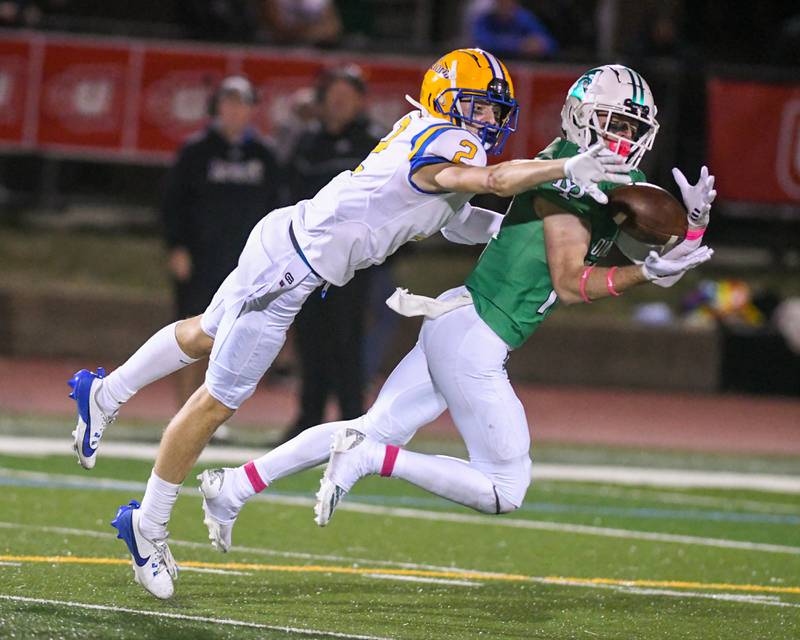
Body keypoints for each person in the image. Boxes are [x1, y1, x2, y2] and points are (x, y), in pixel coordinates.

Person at [67, 48, 631, 599]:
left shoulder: (428, 129)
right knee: (216, 401)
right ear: (448, 100)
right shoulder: (454, 143)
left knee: (206, 332)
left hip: (283, 238)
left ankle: (105, 391)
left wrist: (523, 221)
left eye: (494, 111)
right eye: (479, 106)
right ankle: (149, 525)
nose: (488, 120)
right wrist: (562, 167)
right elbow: (489, 181)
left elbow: (456, 216)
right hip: (292, 270)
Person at [195, 65, 715, 548]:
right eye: (612, 121)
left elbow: (629, 251)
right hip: (477, 339)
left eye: (630, 125)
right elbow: (573, 282)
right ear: (582, 115)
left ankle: (235, 486)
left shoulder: (594, 173)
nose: (621, 136)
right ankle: (373, 460)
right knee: (505, 487)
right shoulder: (566, 178)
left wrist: (686, 233)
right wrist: (645, 274)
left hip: (459, 318)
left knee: (369, 425)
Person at [162, 75, 281, 407]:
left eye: (242, 104)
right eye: (228, 103)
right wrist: (177, 246)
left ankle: (210, 411)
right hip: (201, 259)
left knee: (233, 339)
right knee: (191, 331)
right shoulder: (196, 151)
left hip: (246, 263)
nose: (234, 111)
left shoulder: (265, 154)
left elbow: (277, 208)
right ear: (217, 107)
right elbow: (173, 203)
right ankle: (182, 408)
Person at [283, 66, 381, 442]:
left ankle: (354, 422)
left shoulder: (373, 144)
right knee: (310, 338)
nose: (339, 103)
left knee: (348, 340)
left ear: (360, 101)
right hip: (309, 258)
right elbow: (288, 194)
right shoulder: (307, 142)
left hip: (355, 262)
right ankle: (308, 418)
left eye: (347, 96)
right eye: (333, 95)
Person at [471, 0, 558, 60]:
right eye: (501, 2)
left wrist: (539, 44)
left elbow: (549, 43)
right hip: (490, 64)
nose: (505, 4)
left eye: (508, 2)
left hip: (523, 64)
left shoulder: (524, 18)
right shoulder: (485, 18)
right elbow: (481, 43)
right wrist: (519, 45)